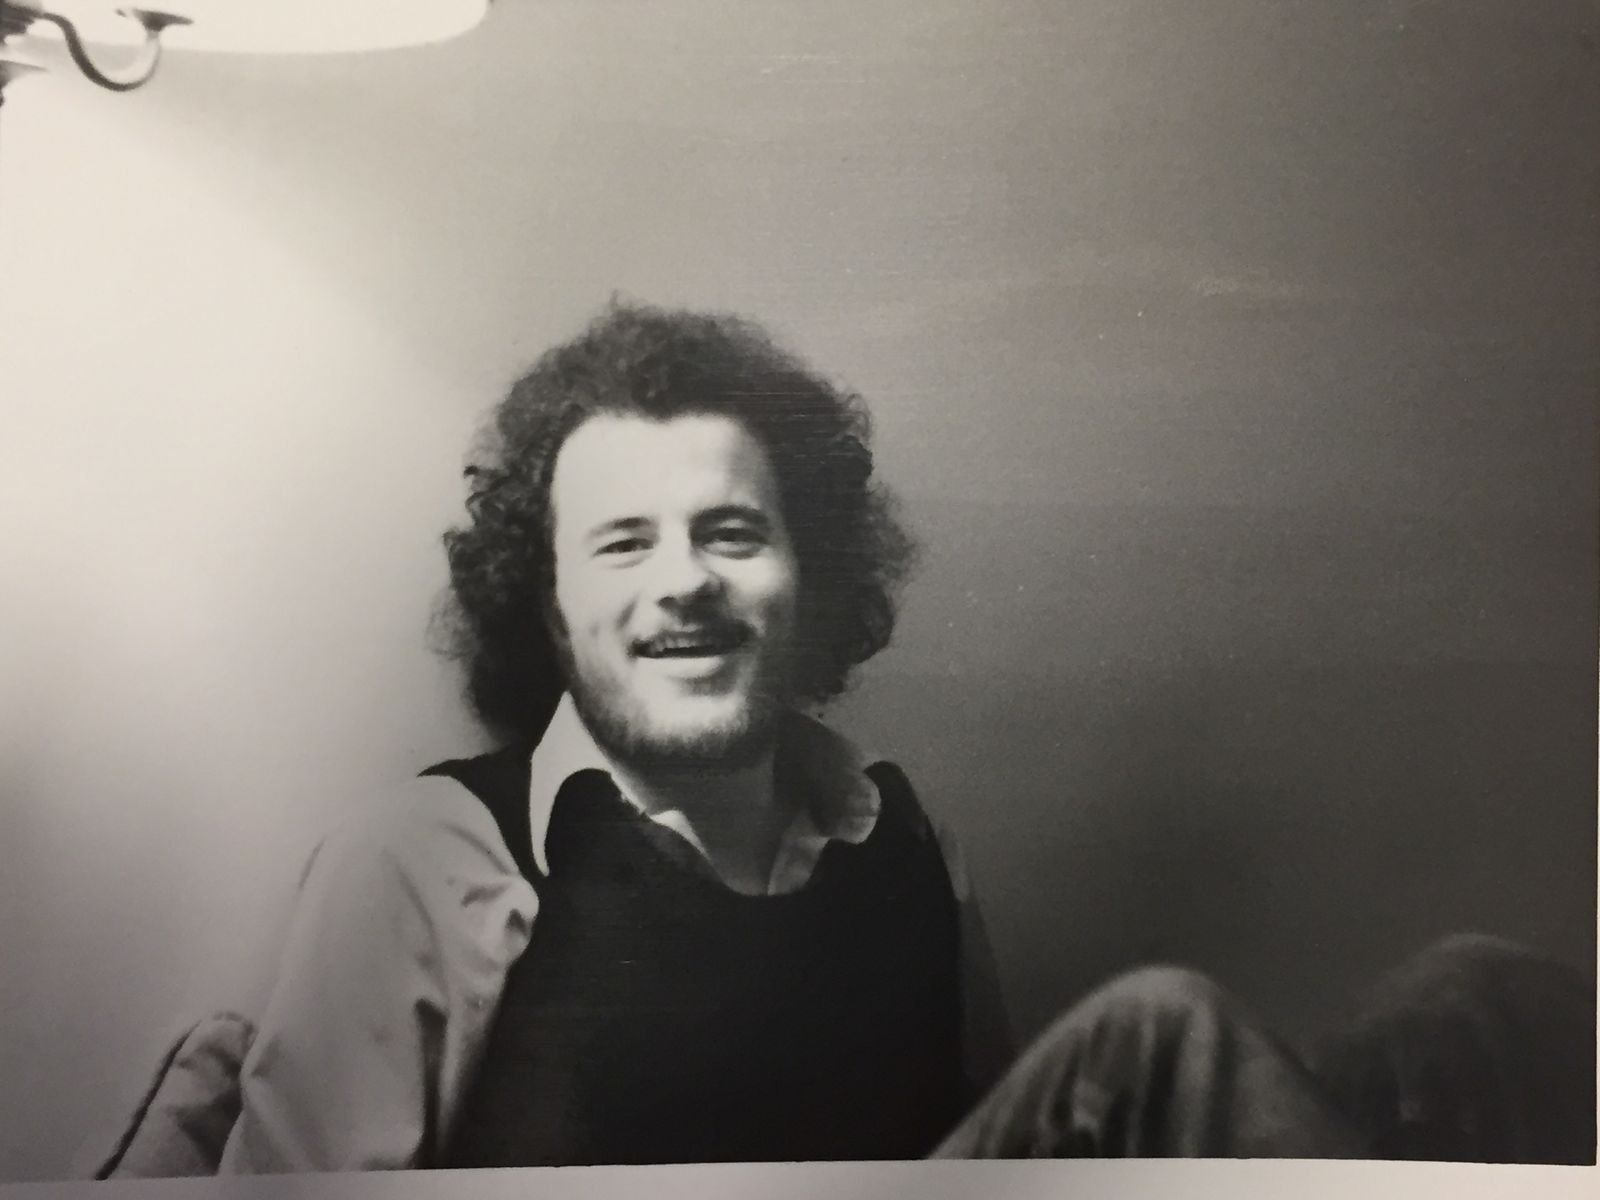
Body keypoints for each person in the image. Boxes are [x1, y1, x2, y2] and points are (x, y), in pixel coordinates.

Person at [86, 301, 1594, 1174]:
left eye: (732, 532)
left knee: (1482, 1003)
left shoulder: (905, 839)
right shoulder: (424, 862)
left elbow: (992, 1163)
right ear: (547, 607)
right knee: (1159, 1030)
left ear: (806, 575)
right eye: (622, 544)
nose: (684, 580)